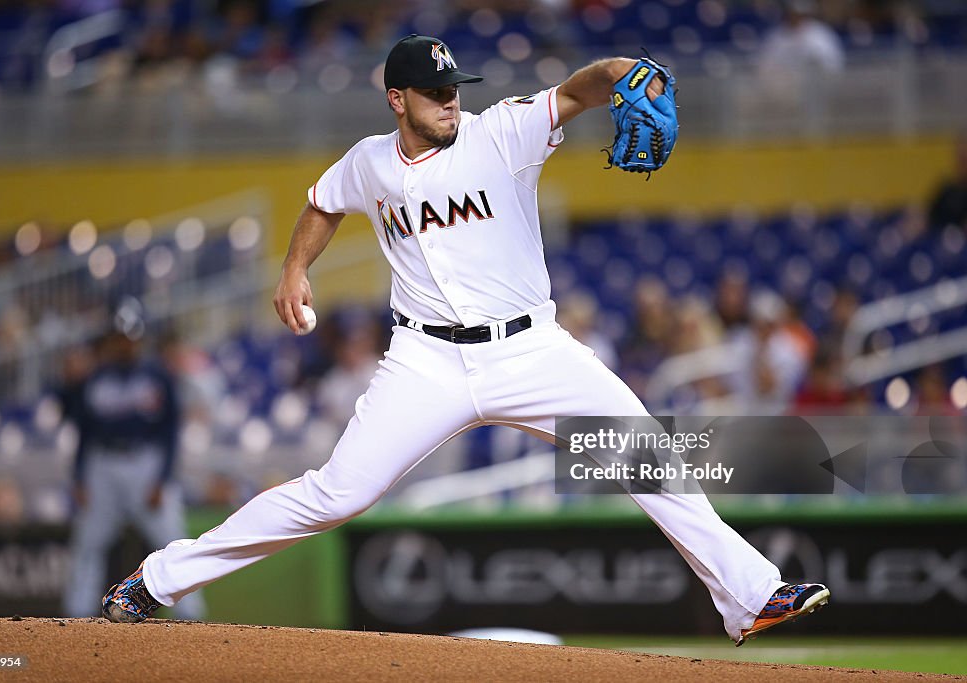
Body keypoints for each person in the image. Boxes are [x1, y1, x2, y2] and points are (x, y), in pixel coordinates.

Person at [102, 34, 828, 645]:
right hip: (426, 360)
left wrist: (619, 74)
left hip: (531, 350)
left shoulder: (503, 130)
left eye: (454, 88)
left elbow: (577, 91)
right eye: (434, 92)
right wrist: (295, 267)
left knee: (645, 453)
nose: (451, 100)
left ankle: (749, 596)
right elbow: (322, 203)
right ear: (397, 101)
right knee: (334, 494)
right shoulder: (369, 161)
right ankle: (158, 577)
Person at [64, 306, 204, 620]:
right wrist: (79, 478)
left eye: (130, 337)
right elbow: (84, 433)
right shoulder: (96, 378)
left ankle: (193, 618)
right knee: (88, 543)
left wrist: (163, 478)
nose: (125, 344)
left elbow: (170, 432)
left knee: (175, 543)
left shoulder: (157, 376)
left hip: (147, 462)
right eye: (119, 338)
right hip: (103, 465)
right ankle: (74, 617)